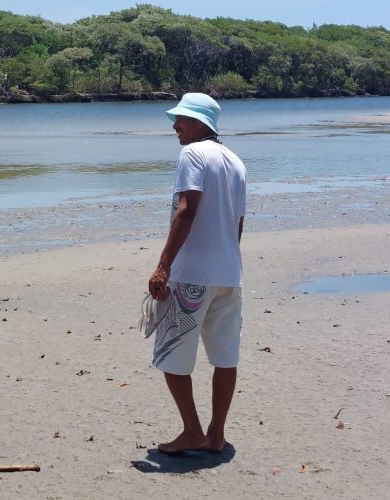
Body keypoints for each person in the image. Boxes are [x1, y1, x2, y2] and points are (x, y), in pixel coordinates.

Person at [148, 93, 246, 455]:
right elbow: (237, 224)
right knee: (225, 358)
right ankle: (216, 435)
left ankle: (192, 431)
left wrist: (163, 266)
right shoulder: (236, 162)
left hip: (192, 277)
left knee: (170, 356)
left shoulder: (192, 154)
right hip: (229, 275)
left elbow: (187, 210)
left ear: (201, 123)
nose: (175, 126)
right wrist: (228, 261)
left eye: (181, 120)